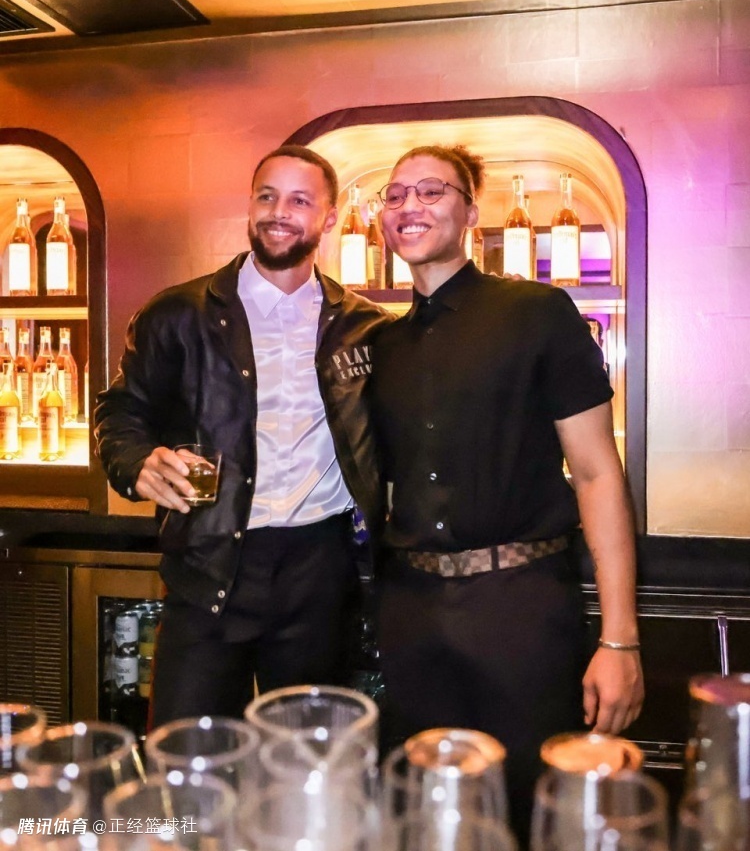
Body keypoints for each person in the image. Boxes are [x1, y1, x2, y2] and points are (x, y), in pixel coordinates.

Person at [370, 144, 644, 846]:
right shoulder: (384, 346)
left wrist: (619, 638)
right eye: (395, 195)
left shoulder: (538, 312)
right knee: (427, 819)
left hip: (519, 608)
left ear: (471, 212)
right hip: (412, 614)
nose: (409, 206)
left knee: (529, 814)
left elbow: (596, 473)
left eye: (431, 191)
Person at [94, 145, 392, 728]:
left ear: (330, 217)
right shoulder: (177, 314)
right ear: (250, 206)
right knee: (188, 751)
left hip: (319, 568)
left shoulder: (365, 326)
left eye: (300, 200)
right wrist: (136, 461)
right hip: (209, 560)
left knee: (307, 751)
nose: (279, 212)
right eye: (267, 196)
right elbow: (121, 410)